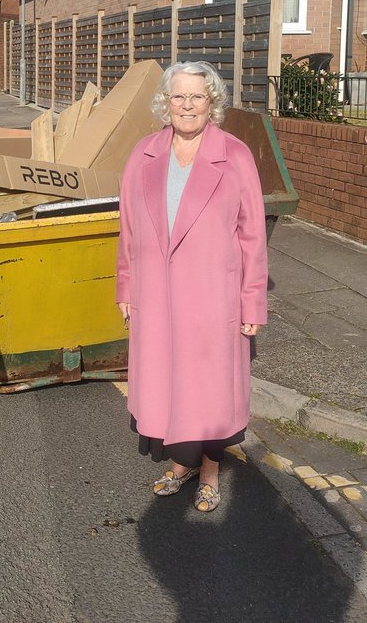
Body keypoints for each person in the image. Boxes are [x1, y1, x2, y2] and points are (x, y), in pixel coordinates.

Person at [115, 61, 268, 513]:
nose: (186, 105)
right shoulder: (143, 153)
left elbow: (253, 236)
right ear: (165, 102)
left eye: (196, 97)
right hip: (156, 296)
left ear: (212, 103)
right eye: (178, 96)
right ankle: (181, 465)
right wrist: (125, 287)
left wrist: (252, 303)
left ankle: (208, 470)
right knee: (169, 385)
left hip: (212, 297)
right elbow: (126, 228)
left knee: (208, 389)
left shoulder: (235, 155)